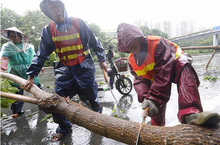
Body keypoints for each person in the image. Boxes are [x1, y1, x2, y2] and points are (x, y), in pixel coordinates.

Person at [23, 0, 107, 142]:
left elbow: (94, 41)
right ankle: (63, 128)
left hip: (83, 67)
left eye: (58, 7)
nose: (56, 11)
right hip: (64, 69)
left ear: (63, 8)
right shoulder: (48, 30)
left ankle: (97, 122)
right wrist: (31, 75)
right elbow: (41, 54)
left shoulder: (79, 23)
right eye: (52, 9)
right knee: (57, 102)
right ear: (47, 13)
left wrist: (102, 59)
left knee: (92, 99)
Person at [117, 23, 220, 126]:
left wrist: (153, 98)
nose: (130, 47)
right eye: (127, 46)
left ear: (139, 38)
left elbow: (163, 73)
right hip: (156, 75)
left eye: (132, 43)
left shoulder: (157, 44)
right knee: (153, 99)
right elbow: (140, 80)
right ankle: (156, 124)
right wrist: (146, 99)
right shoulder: (131, 61)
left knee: (184, 67)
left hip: (176, 64)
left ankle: (191, 113)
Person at [1, 27, 42, 117]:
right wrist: (2, 70)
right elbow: (4, 58)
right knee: (17, 91)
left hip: (29, 70)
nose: (14, 38)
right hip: (15, 71)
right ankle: (17, 111)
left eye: (16, 36)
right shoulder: (7, 47)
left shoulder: (28, 46)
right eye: (11, 36)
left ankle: (43, 104)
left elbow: (34, 58)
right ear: (9, 37)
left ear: (20, 36)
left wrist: (39, 67)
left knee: (37, 87)